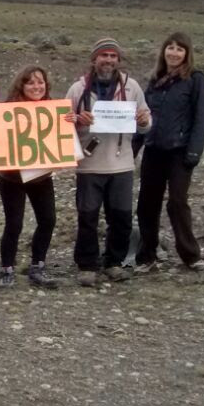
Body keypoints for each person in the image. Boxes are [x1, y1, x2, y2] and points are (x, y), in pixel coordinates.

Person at [65, 38, 151, 287]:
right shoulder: (77, 89)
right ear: (94, 59)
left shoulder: (132, 87)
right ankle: (87, 265)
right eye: (104, 55)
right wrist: (77, 121)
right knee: (88, 216)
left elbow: (147, 122)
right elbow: (62, 123)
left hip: (122, 164)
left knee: (121, 217)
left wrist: (144, 121)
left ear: (119, 60)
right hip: (90, 164)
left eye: (114, 56)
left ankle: (113, 262)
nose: (109, 60)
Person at [135, 32, 204, 275]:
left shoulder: (196, 80)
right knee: (147, 204)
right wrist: (132, 149)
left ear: (187, 53)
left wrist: (194, 152)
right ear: (163, 51)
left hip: (180, 153)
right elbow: (143, 118)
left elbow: (201, 119)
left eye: (180, 49)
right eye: (170, 47)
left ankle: (190, 255)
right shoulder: (155, 80)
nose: (174, 53)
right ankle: (147, 256)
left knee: (177, 203)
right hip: (154, 150)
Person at [0, 66, 60, 288]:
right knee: (14, 223)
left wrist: (69, 120)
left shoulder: (53, 109)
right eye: (31, 83)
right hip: (12, 177)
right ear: (21, 85)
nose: (37, 87)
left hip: (41, 175)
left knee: (48, 219)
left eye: (40, 82)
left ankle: (37, 266)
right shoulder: (7, 109)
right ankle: (6, 269)